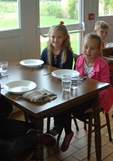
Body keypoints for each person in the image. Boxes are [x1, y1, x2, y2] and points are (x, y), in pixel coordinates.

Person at [68, 33, 113, 150]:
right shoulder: (79, 60)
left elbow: (104, 88)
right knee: (64, 106)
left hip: (98, 98)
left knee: (72, 109)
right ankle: (66, 129)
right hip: (83, 95)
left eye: (92, 48)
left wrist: (96, 105)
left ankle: (70, 121)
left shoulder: (103, 64)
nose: (88, 51)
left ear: (99, 50)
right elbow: (76, 78)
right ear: (81, 46)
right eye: (85, 47)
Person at [40, 21, 74, 151]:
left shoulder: (67, 53)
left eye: (59, 37)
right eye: (53, 37)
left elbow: (66, 73)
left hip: (63, 87)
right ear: (49, 37)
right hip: (49, 85)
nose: (55, 40)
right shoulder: (46, 51)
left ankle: (67, 131)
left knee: (63, 104)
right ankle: (56, 127)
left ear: (64, 37)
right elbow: (41, 69)